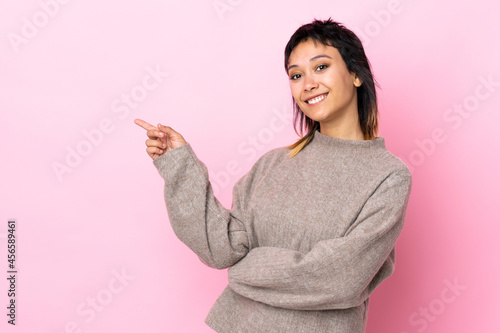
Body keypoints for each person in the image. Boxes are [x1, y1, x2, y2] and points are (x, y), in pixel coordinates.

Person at [135, 17, 412, 333]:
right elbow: (221, 249)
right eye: (296, 75)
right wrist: (179, 167)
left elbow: (337, 278)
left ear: (355, 74)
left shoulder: (388, 177)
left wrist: (246, 270)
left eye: (321, 67)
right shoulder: (272, 164)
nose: (308, 84)